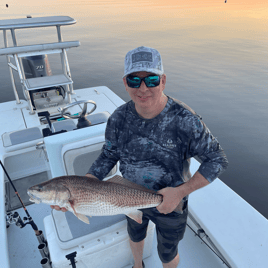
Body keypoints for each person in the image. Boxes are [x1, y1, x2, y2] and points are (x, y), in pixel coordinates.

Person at [51, 46, 228, 268]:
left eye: (151, 80)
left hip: (170, 201)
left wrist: (180, 192)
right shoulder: (118, 118)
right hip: (125, 195)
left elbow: (217, 159)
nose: (143, 88)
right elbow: (109, 153)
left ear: (163, 81)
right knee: (135, 235)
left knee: (167, 252)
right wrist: (87, 182)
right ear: (125, 83)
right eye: (134, 81)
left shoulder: (185, 120)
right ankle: (138, 265)